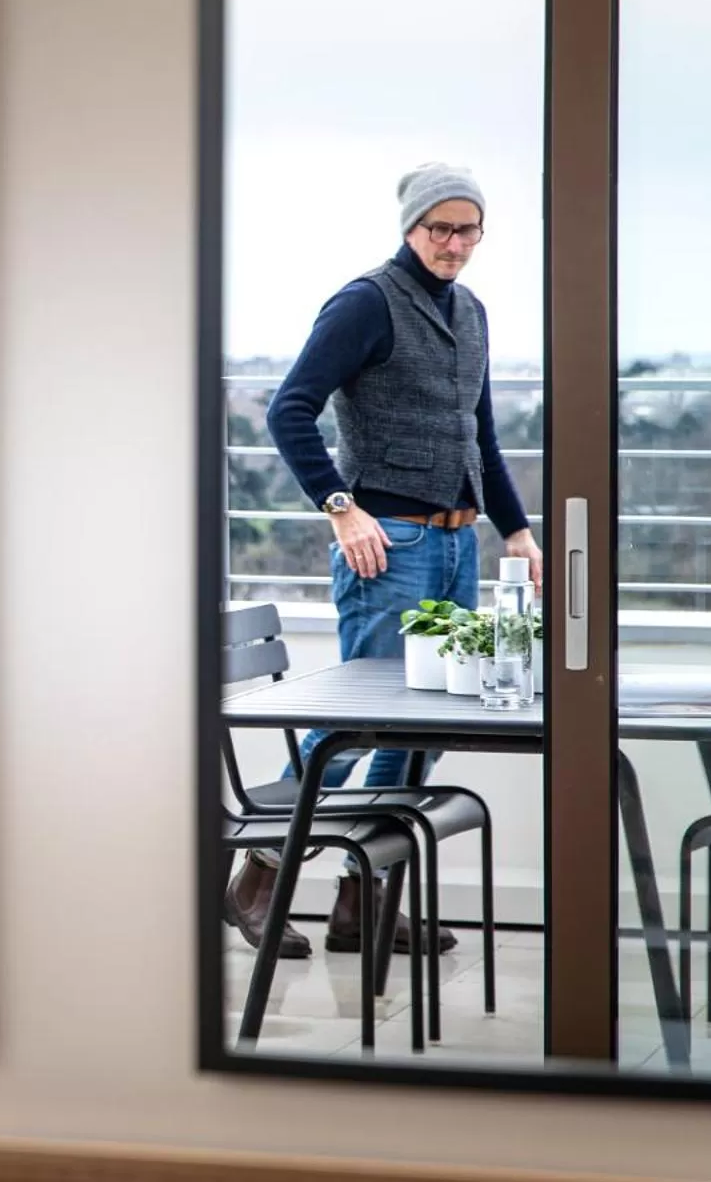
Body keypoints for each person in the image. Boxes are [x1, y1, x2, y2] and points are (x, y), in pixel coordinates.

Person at [224, 162, 542, 961]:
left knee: (423, 727)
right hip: (386, 542)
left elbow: (481, 437)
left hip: (454, 543)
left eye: (468, 230)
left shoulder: (469, 312)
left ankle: (360, 904)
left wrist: (517, 530)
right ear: (410, 226)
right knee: (353, 721)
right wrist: (341, 507)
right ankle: (257, 877)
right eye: (440, 228)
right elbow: (289, 406)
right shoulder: (366, 302)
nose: (454, 244)